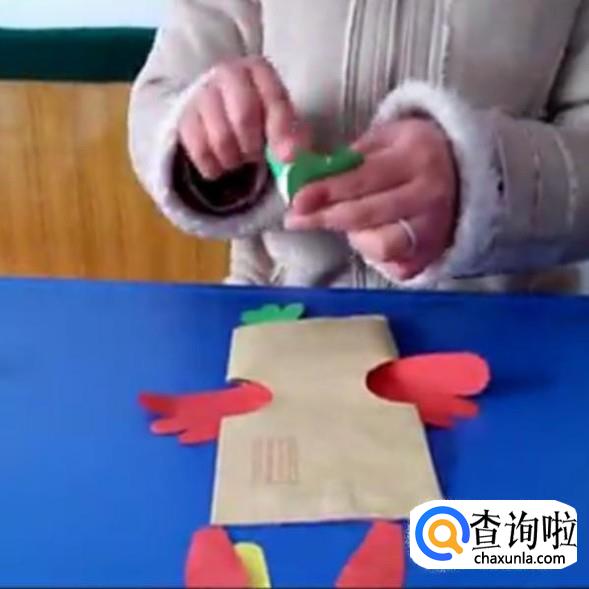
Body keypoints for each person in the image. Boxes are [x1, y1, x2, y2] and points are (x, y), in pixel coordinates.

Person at [129, 0, 589, 292]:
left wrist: (484, 181)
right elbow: (160, 102)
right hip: (279, 321)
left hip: (516, 336)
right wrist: (206, 134)